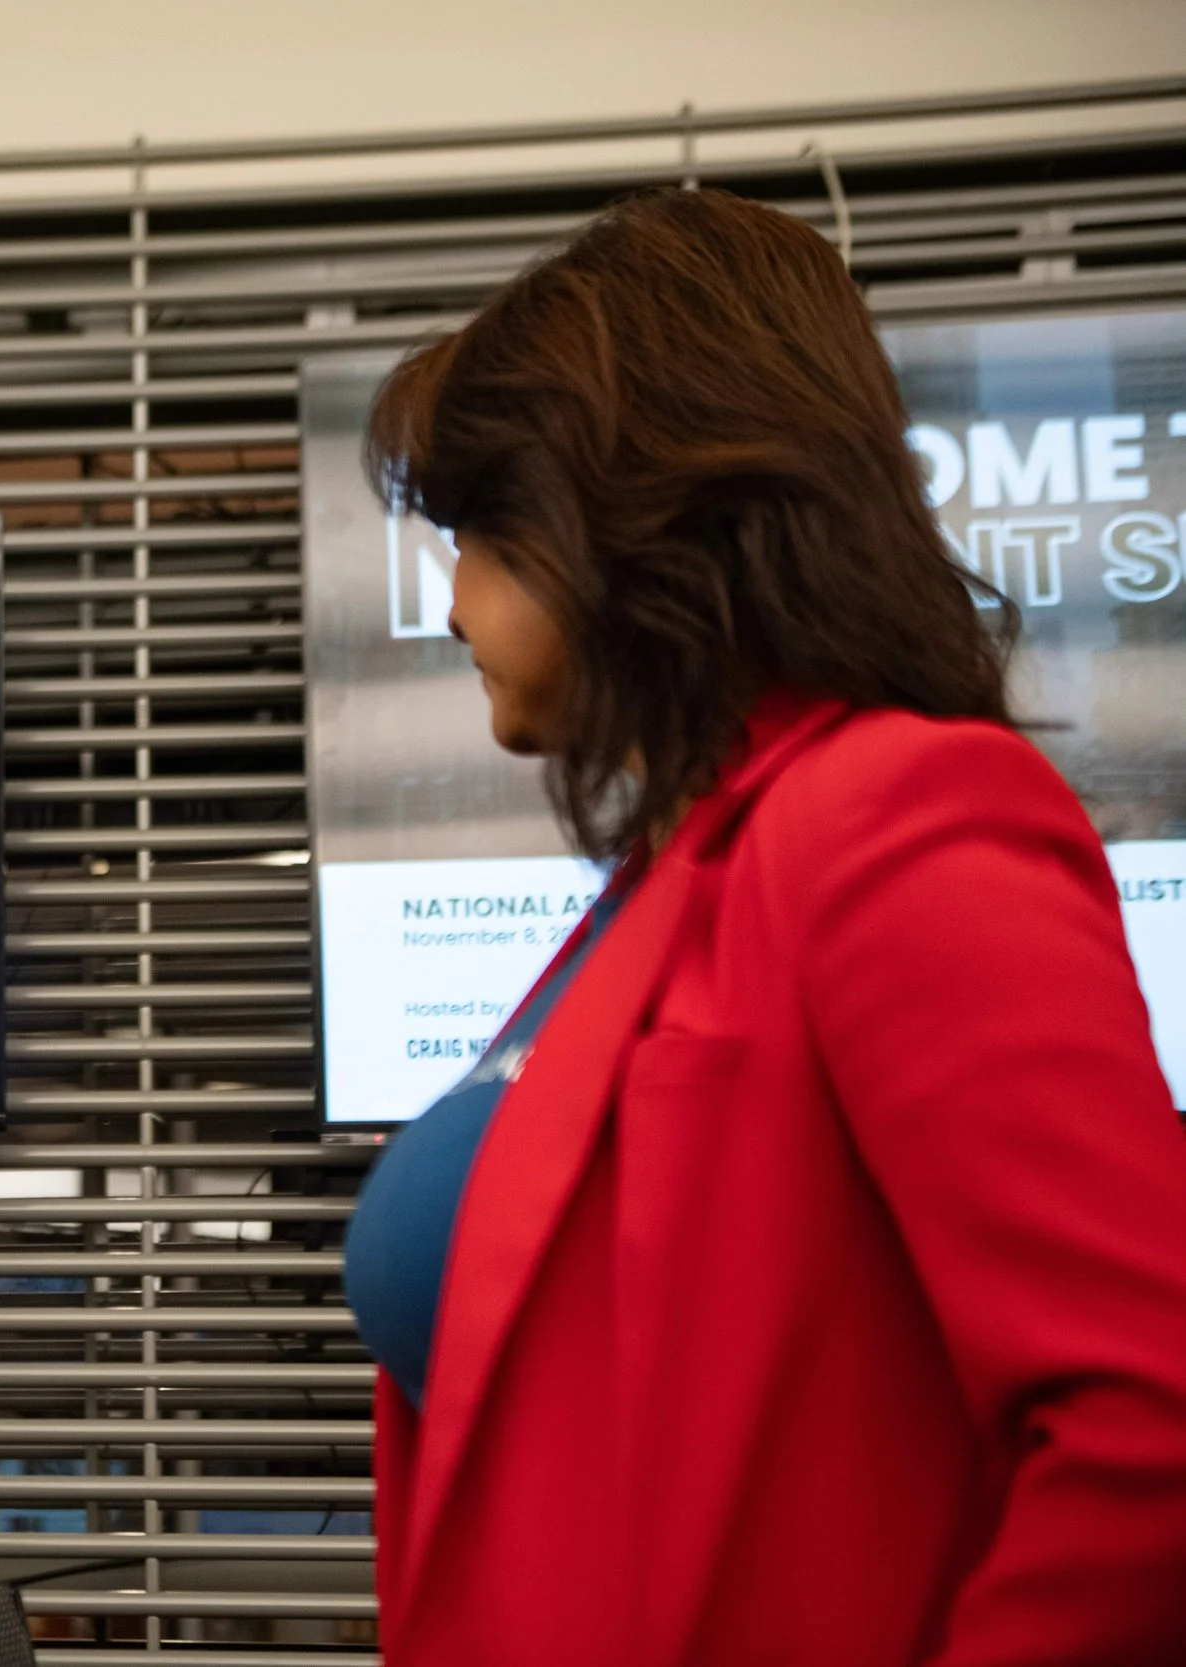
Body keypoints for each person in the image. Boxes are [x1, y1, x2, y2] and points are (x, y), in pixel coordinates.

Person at [339, 190, 1186, 1665]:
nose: (451, 595)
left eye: (479, 527)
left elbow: (1153, 1421)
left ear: (626, 515)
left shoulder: (904, 815)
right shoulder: (670, 879)